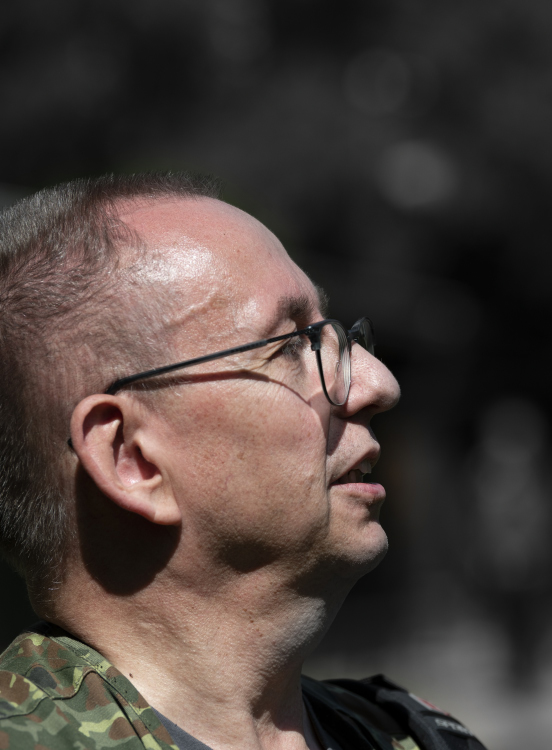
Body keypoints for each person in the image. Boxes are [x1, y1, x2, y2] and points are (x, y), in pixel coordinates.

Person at [0, 174, 487, 750]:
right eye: (291, 345)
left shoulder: (415, 738)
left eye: (339, 338)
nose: (377, 385)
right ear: (131, 457)